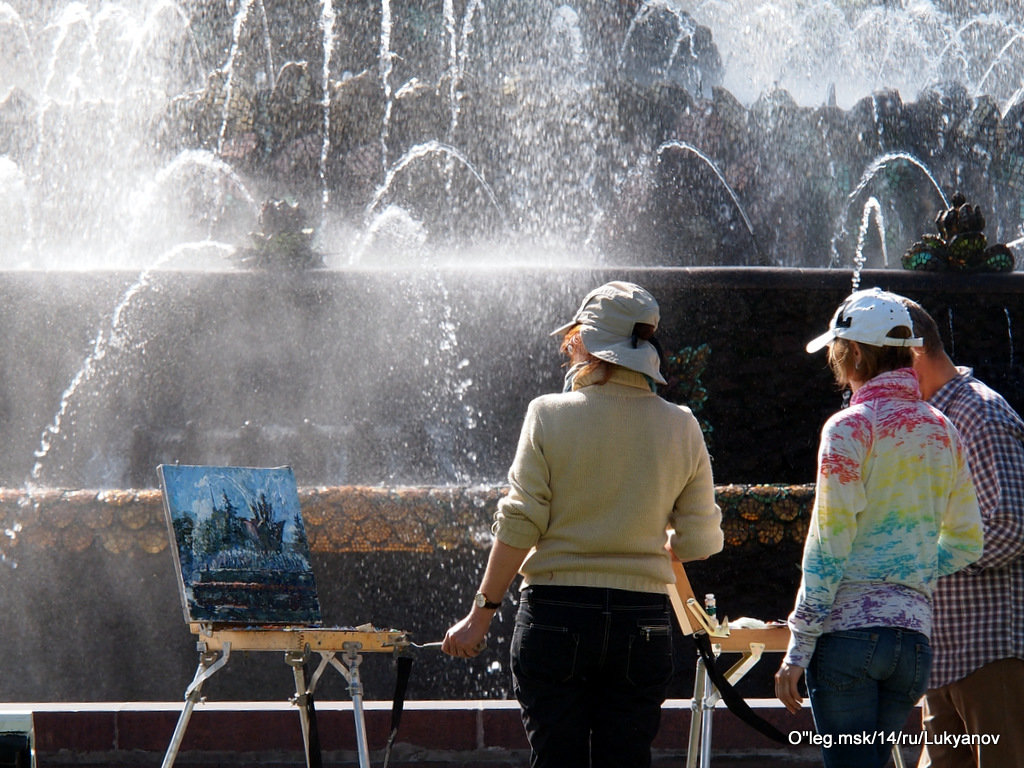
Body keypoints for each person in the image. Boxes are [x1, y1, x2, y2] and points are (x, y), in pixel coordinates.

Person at [442, 281, 724, 768]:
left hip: (556, 613)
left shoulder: (548, 414)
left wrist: (480, 614)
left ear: (588, 342)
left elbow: (520, 523)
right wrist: (645, 537)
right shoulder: (682, 424)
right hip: (644, 622)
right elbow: (700, 541)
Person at [774, 287, 984, 768]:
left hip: (848, 639)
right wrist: (908, 568)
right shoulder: (942, 428)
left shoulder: (849, 427)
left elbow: (828, 545)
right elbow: (969, 542)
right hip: (913, 646)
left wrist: (798, 647)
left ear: (855, 355)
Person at [901, 298, 1024, 768]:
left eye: (871, 365)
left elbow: (1012, 527)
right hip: (943, 658)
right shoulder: (925, 422)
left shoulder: (980, 415)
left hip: (989, 658)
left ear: (910, 354)